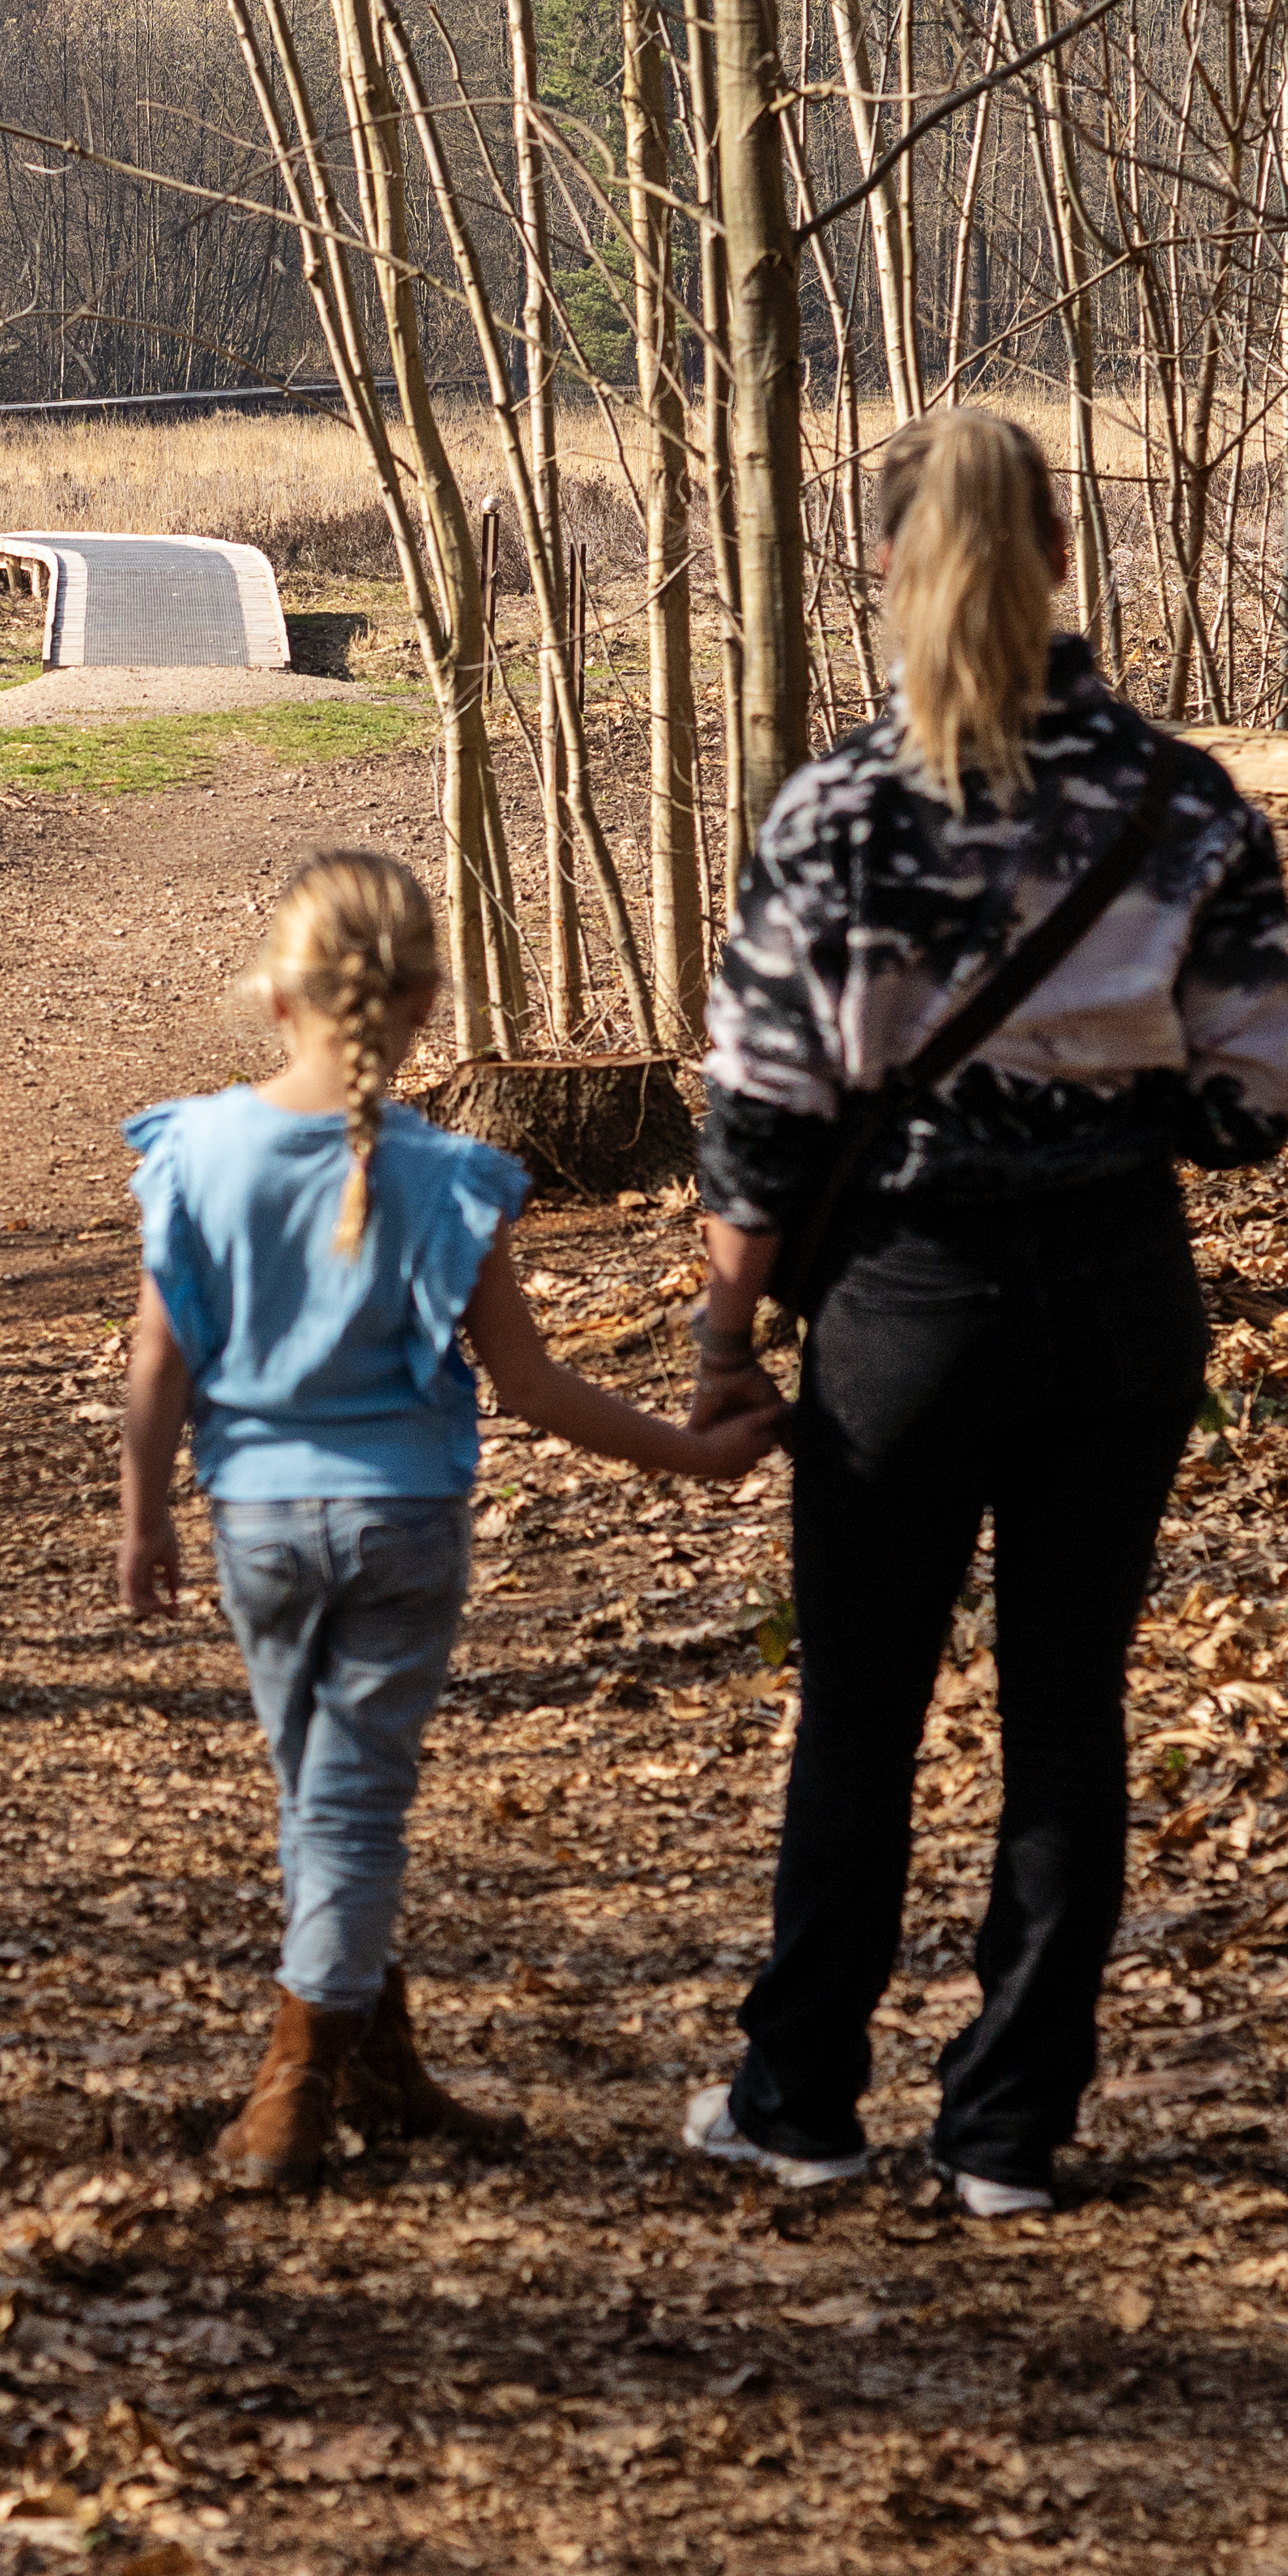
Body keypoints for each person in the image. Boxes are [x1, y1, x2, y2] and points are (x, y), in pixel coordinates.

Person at [676, 404, 1288, 2213]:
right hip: (1119, 1297)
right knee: (1067, 1707)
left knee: (865, 1703)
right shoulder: (1182, 801)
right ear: (1059, 556)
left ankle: (799, 2099)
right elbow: (1271, 1081)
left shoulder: (834, 814)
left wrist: (730, 1330)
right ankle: (1010, 2130)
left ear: (885, 570)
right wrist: (1139, 1123)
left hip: (900, 1302)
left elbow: (763, 1106)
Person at [118, 851, 778, 2193]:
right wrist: (689, 1456)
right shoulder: (452, 1175)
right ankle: (321, 2075)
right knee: (346, 1801)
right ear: (428, 1004)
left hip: (256, 1522)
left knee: (325, 1791)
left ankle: (342, 2067)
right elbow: (530, 1387)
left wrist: (145, 1520)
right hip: (405, 1524)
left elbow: (155, 1370)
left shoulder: (200, 1150)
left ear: (276, 998)